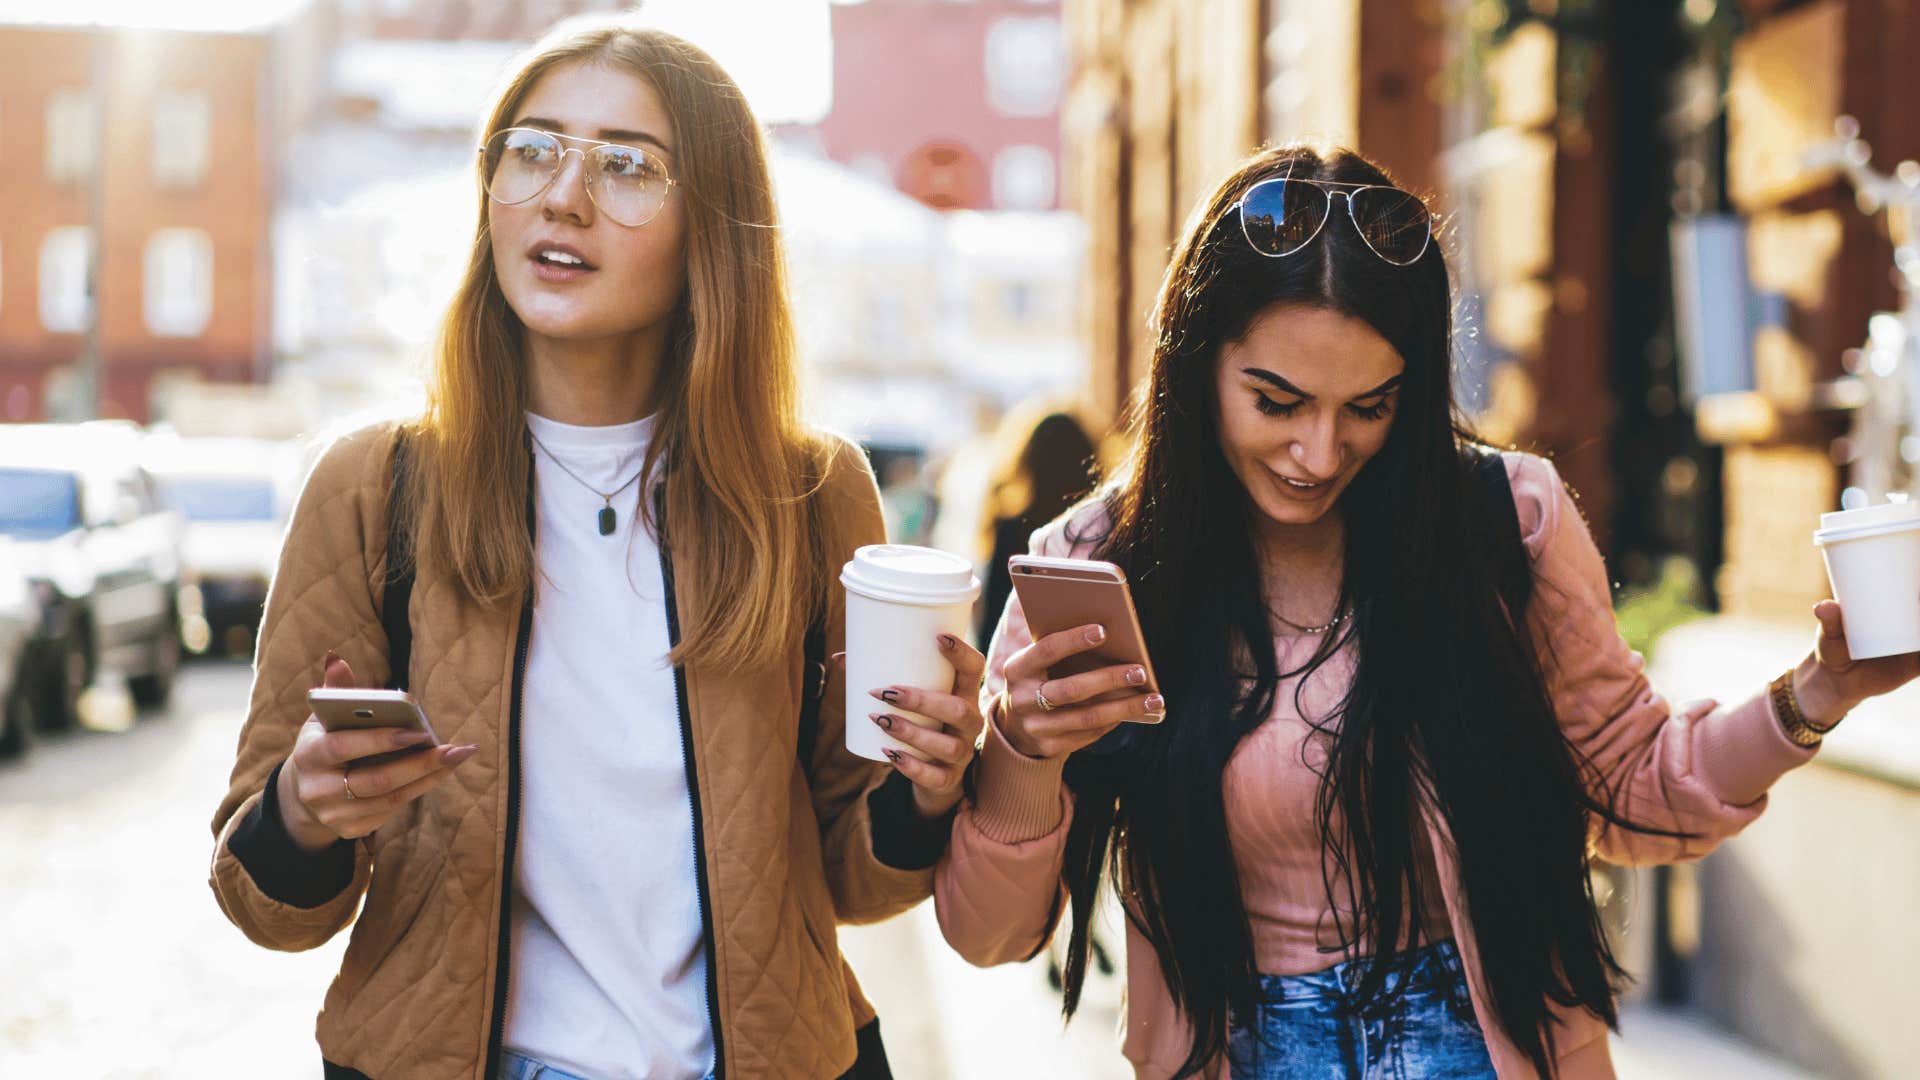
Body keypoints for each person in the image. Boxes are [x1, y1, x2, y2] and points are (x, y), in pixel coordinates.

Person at [929, 143, 1920, 1079]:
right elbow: (988, 938)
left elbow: (1634, 788)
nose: (1318, 453)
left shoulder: (1503, 523)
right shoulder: (1101, 566)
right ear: (1194, 368)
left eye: (1369, 406)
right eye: (1276, 402)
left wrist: (1816, 696)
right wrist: (1021, 749)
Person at [208, 18, 983, 1080]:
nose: (563, 197)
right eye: (532, 150)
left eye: (627, 166)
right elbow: (265, 903)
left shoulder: (807, 494)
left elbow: (855, 879)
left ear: (713, 225)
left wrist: (927, 791)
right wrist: (302, 813)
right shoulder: (374, 487)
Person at [975, 409, 1099, 647]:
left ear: (1029, 460)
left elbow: (993, 619)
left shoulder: (1011, 528)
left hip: (1018, 657)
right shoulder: (1096, 532)